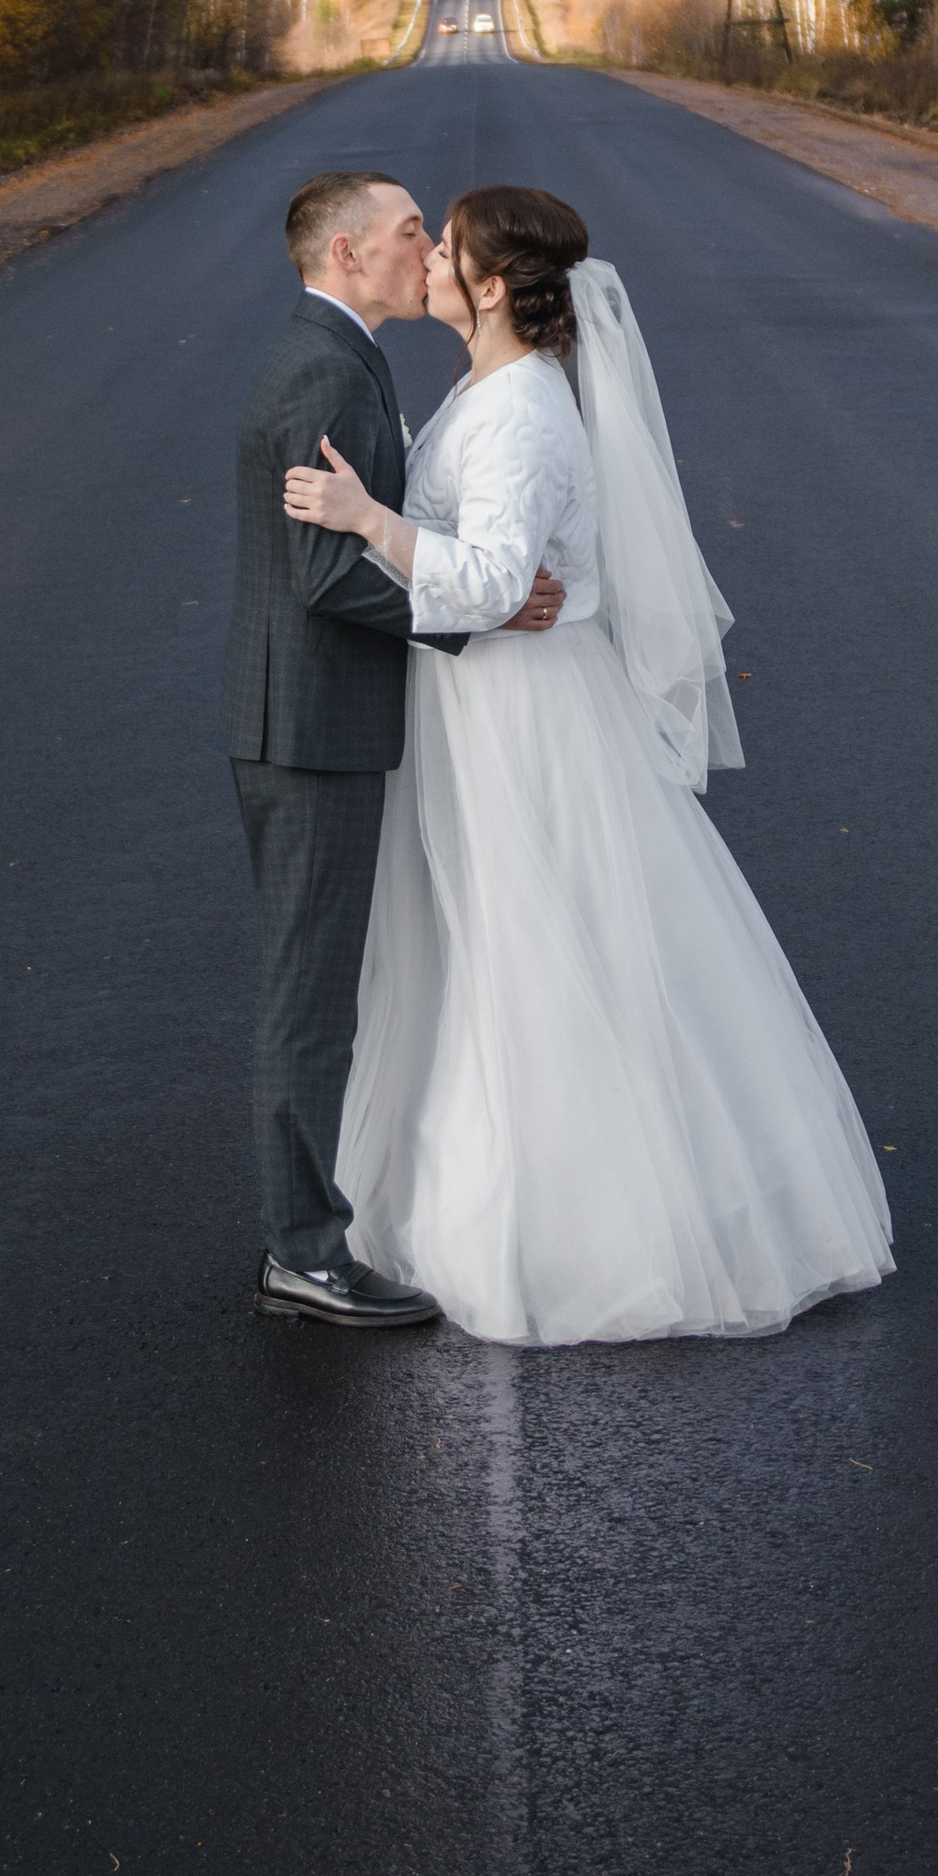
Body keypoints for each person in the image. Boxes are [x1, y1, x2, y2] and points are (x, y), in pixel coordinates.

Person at [283, 184, 891, 1346]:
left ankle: (584, 1231)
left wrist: (366, 520)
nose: (430, 263)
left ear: (491, 286)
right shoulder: (485, 386)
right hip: (477, 700)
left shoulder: (520, 410)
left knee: (535, 948)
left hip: (523, 718)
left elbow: (494, 580)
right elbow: (486, 568)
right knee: (478, 950)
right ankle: (484, 1192)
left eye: (445, 250)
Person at [226, 168, 565, 1327]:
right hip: (309, 728)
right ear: (345, 254)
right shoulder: (325, 369)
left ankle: (313, 1230)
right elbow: (326, 576)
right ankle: (303, 1253)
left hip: (310, 718)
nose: (427, 250)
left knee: (322, 987)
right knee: (309, 995)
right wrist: (477, 613)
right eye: (410, 230)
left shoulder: (343, 353)